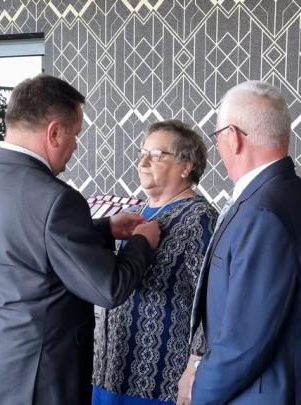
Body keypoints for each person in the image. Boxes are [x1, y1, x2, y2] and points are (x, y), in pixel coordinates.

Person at [0, 74, 161, 404]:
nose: (75, 146)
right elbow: (108, 288)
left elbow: (23, 243)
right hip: (39, 380)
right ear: (54, 133)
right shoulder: (57, 199)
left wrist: (104, 228)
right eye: (75, 134)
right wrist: (142, 242)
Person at [180, 81, 301, 404]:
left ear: (233, 137)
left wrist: (200, 392)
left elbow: (243, 342)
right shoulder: (285, 194)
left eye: (217, 136)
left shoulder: (263, 212)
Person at [92, 119, 218, 405]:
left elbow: (211, 304)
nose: (143, 162)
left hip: (160, 383)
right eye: (142, 152)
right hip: (109, 370)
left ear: (186, 165)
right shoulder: (132, 213)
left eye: (157, 154)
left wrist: (195, 366)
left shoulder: (200, 218)